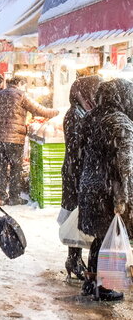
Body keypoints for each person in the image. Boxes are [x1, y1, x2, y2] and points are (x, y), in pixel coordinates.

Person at [76, 78, 133, 302]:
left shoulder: (91, 117)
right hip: (109, 191)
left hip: (90, 186)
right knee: (112, 237)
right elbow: (125, 166)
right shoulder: (120, 122)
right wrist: (125, 198)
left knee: (102, 238)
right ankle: (106, 286)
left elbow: (77, 153)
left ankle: (91, 282)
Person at [0, 75, 58, 205]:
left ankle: (1, 196)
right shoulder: (20, 95)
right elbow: (39, 110)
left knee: (0, 168)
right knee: (15, 168)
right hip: (14, 139)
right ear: (19, 83)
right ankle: (14, 197)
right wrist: (57, 112)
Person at [57, 76, 102, 280]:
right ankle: (73, 259)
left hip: (78, 172)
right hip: (76, 173)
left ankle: (74, 259)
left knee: (80, 216)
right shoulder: (75, 115)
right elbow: (78, 149)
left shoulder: (83, 112)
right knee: (77, 216)